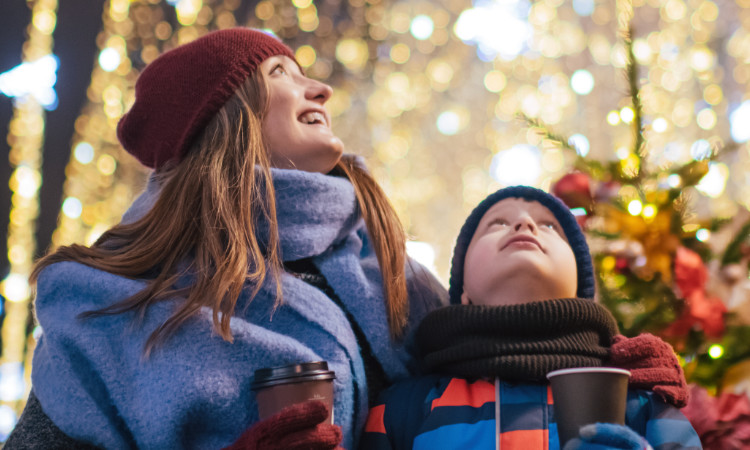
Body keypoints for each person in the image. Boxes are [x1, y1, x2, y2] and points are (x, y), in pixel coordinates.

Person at [6, 29, 686, 449]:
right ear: (224, 118)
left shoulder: (387, 272)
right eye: (283, 75)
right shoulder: (120, 298)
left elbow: (489, 362)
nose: (321, 87)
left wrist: (609, 357)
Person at [360, 186, 701, 450]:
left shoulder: (639, 402)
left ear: (580, 291)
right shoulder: (402, 409)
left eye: (550, 226)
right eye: (498, 223)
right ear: (463, 290)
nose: (524, 224)